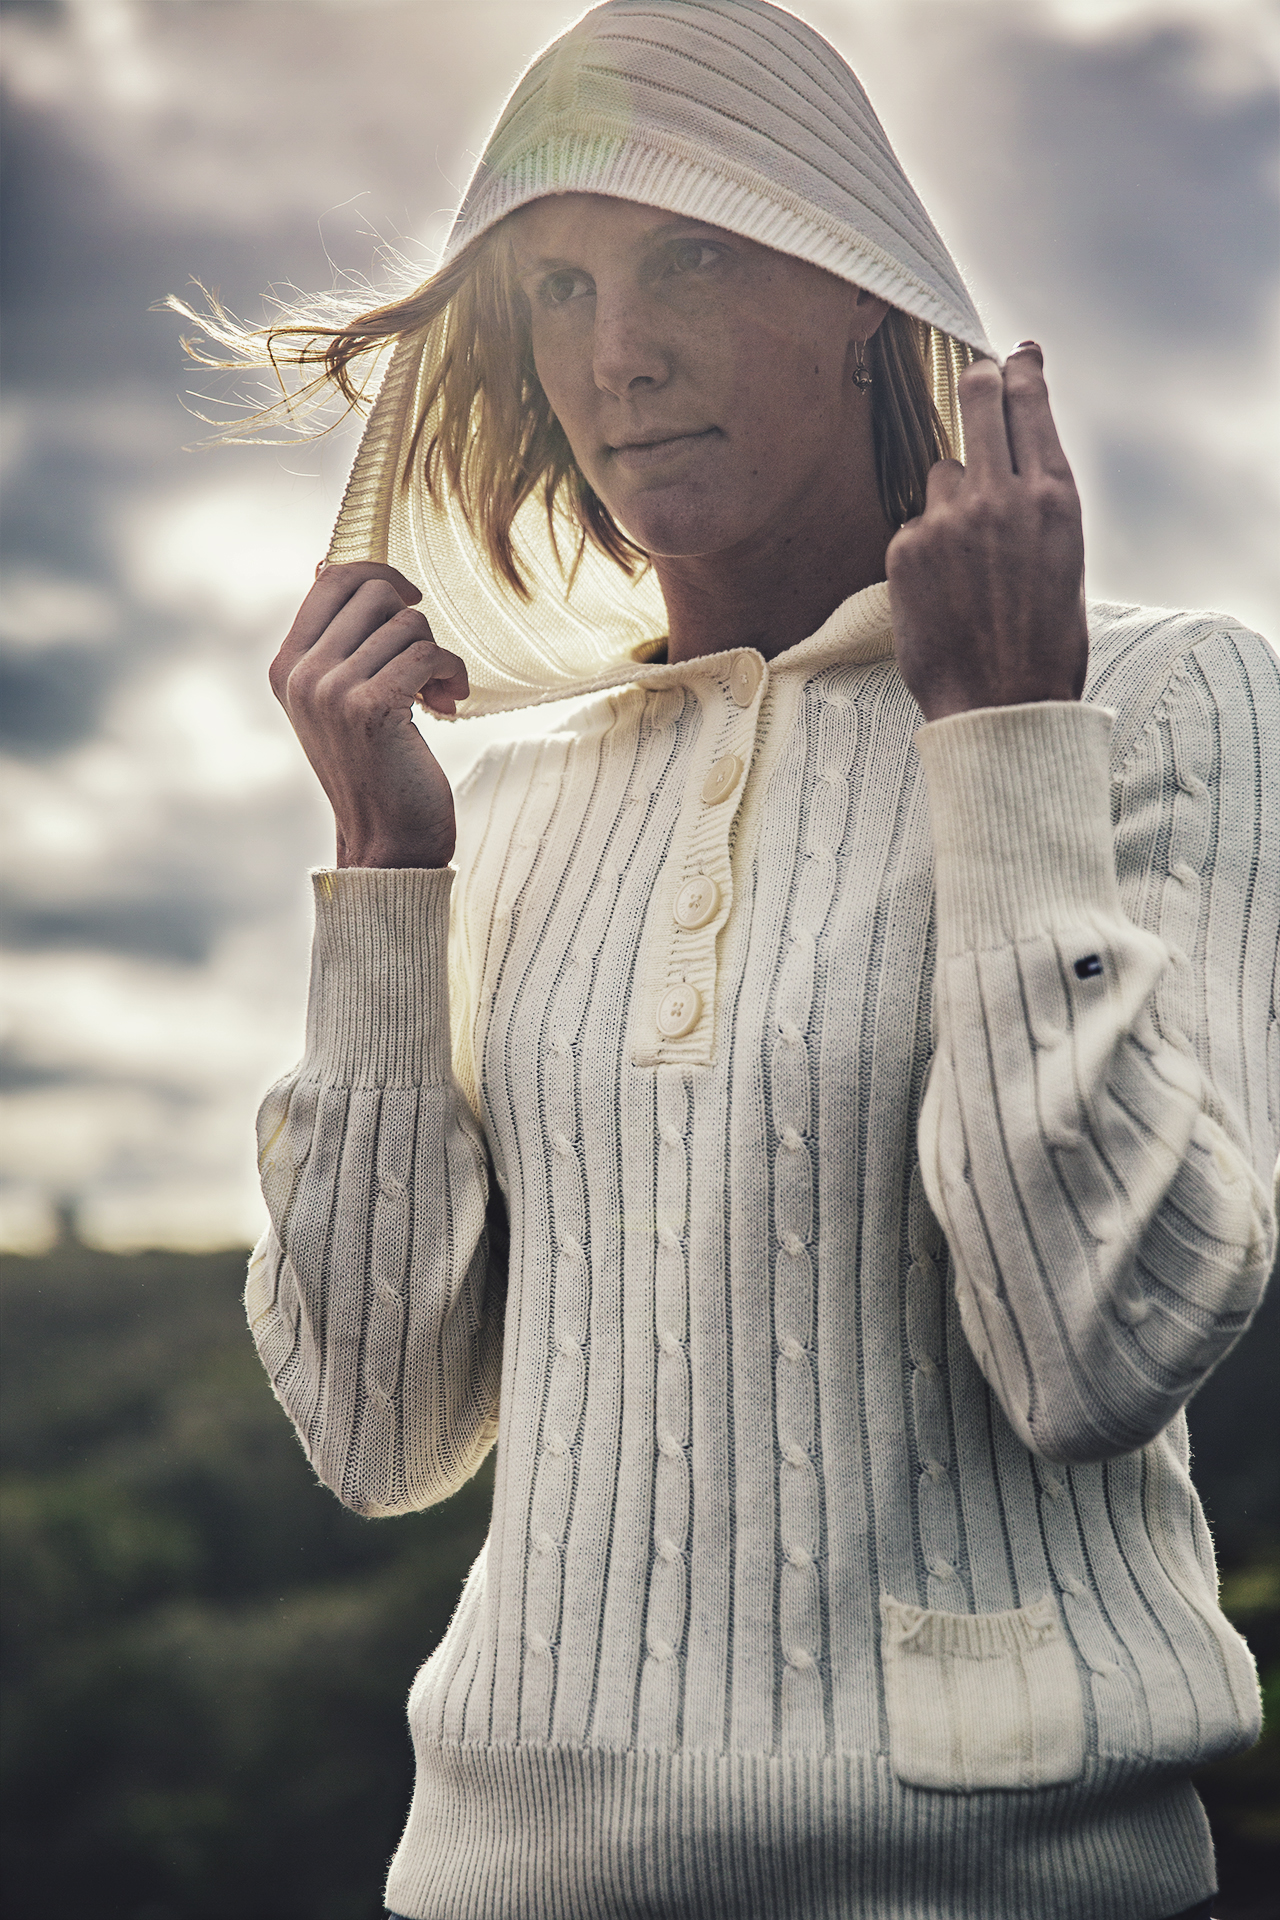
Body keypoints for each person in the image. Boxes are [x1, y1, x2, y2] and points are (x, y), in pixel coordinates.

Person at [225, 3, 1278, 1915]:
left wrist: (1001, 743)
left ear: (867, 291)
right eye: (558, 289)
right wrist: (387, 870)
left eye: (694, 255)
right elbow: (375, 1429)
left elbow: (1093, 1350)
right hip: (497, 1880)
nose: (620, 354)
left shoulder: (1162, 694)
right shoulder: (518, 798)